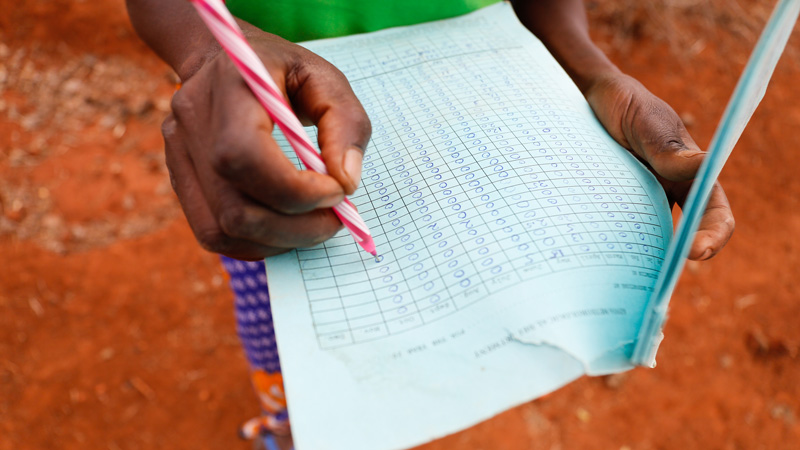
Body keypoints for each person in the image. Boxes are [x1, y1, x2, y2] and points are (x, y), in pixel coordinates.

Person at [125, 0, 736, 448]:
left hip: (499, 108)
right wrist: (208, 50)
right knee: (289, 328)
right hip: (274, 137)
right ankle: (295, 424)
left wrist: (591, 72)